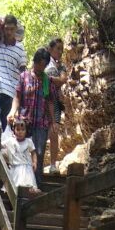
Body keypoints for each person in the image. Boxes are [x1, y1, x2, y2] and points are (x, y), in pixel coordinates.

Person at [7, 48, 53, 178]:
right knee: (21, 153)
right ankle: (19, 184)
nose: (41, 67)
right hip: (24, 123)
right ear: (35, 61)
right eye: (40, 64)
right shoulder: (24, 77)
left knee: (38, 154)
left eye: (44, 65)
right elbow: (17, 97)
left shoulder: (47, 81)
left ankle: (36, 185)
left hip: (41, 123)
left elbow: (50, 101)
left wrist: (53, 122)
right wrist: (12, 111)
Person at [45, 38, 67, 171]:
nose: (60, 51)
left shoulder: (61, 66)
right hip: (43, 102)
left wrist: (49, 79)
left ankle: (53, 164)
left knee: (54, 132)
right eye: (58, 48)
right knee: (42, 132)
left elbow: (63, 80)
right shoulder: (45, 61)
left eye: (62, 49)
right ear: (50, 48)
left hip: (56, 102)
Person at [2, 118, 39, 192]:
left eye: (22, 130)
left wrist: (34, 162)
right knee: (15, 184)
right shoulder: (11, 141)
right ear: (14, 131)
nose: (20, 132)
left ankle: (30, 190)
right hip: (15, 167)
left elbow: (33, 152)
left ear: (26, 131)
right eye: (18, 130)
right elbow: (1, 144)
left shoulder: (29, 141)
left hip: (26, 167)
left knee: (27, 182)